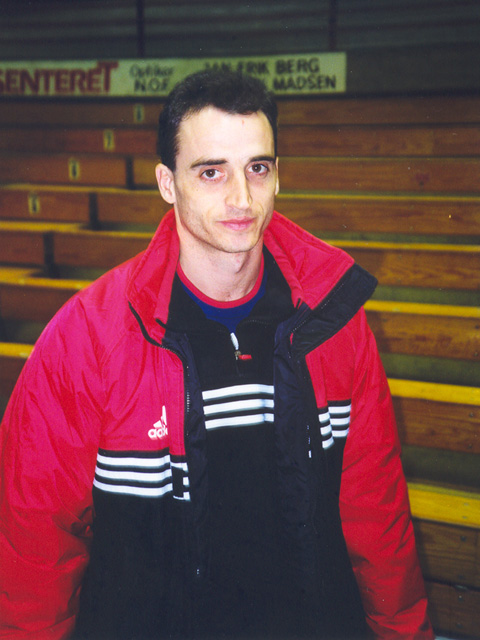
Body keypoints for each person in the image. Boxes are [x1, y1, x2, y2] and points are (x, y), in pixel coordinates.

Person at [0, 69, 433, 640]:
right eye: (211, 172)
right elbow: (34, 550)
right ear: (167, 183)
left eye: (258, 168)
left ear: (278, 176)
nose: (241, 198)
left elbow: (377, 515)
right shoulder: (83, 339)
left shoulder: (335, 322)